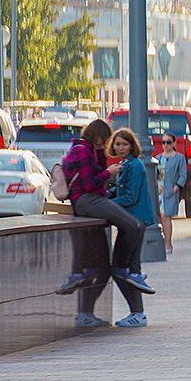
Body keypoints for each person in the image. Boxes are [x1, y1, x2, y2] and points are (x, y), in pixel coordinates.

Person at [57, 120, 155, 324]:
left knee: (109, 266)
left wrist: (102, 163)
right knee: (114, 260)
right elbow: (89, 183)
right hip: (87, 200)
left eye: (122, 144)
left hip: (93, 200)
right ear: (98, 136)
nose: (113, 145)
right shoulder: (83, 151)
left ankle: (128, 294)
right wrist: (107, 173)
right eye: (111, 141)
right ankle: (126, 283)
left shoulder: (102, 155)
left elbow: (103, 184)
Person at [108, 128, 155, 327]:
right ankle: (136, 312)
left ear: (132, 146)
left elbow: (130, 197)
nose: (120, 148)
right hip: (129, 222)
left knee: (124, 269)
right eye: (117, 144)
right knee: (125, 271)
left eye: (124, 144)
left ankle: (138, 312)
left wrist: (107, 205)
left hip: (134, 222)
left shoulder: (134, 166)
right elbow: (121, 190)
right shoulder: (126, 165)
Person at [157, 133, 187, 255]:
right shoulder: (158, 158)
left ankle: (168, 243)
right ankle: (162, 242)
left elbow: (183, 174)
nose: (166, 145)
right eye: (163, 142)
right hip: (158, 190)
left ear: (174, 143)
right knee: (159, 217)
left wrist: (177, 186)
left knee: (166, 216)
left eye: (168, 142)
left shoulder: (179, 158)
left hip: (170, 190)